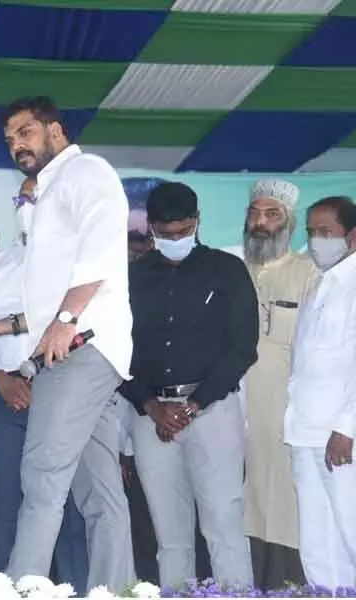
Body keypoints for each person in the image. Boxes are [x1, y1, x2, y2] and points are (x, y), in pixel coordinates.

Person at [0, 96, 134, 591]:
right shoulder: (48, 194)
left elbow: (101, 255)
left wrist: (64, 319)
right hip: (73, 345)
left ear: (55, 131)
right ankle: (114, 589)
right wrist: (4, 326)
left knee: (40, 478)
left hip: (80, 347)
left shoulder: (86, 172)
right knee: (98, 491)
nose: (17, 145)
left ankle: (21, 588)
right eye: (10, 140)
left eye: (26, 133)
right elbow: (50, 295)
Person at [122, 182, 257, 588]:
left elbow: (242, 347)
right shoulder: (131, 277)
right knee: (170, 536)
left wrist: (192, 405)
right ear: (150, 227)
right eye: (166, 233)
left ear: (198, 222)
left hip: (211, 410)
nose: (176, 239)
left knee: (224, 526)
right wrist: (149, 404)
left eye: (183, 231)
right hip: (151, 417)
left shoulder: (226, 269)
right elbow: (117, 349)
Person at [0, 176, 90, 593]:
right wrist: (0, 378)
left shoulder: (81, 267)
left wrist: (48, 380)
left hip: (66, 395)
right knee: (5, 506)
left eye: (38, 197)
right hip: (4, 397)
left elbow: (88, 329)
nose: (30, 204)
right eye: (24, 198)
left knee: (70, 506)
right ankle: (3, 590)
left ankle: (76, 588)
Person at [286, 196, 356, 590]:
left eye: (325, 233)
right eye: (311, 233)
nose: (316, 241)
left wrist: (345, 427)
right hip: (304, 431)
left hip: (346, 436)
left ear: (353, 236)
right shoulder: (319, 282)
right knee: (317, 543)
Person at [239, 179, 313, 590]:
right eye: (255, 213)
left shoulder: (310, 273)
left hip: (285, 406)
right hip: (234, 405)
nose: (261, 224)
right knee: (242, 495)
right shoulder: (231, 269)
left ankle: (288, 584)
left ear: (290, 223)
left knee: (284, 498)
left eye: (272, 215)